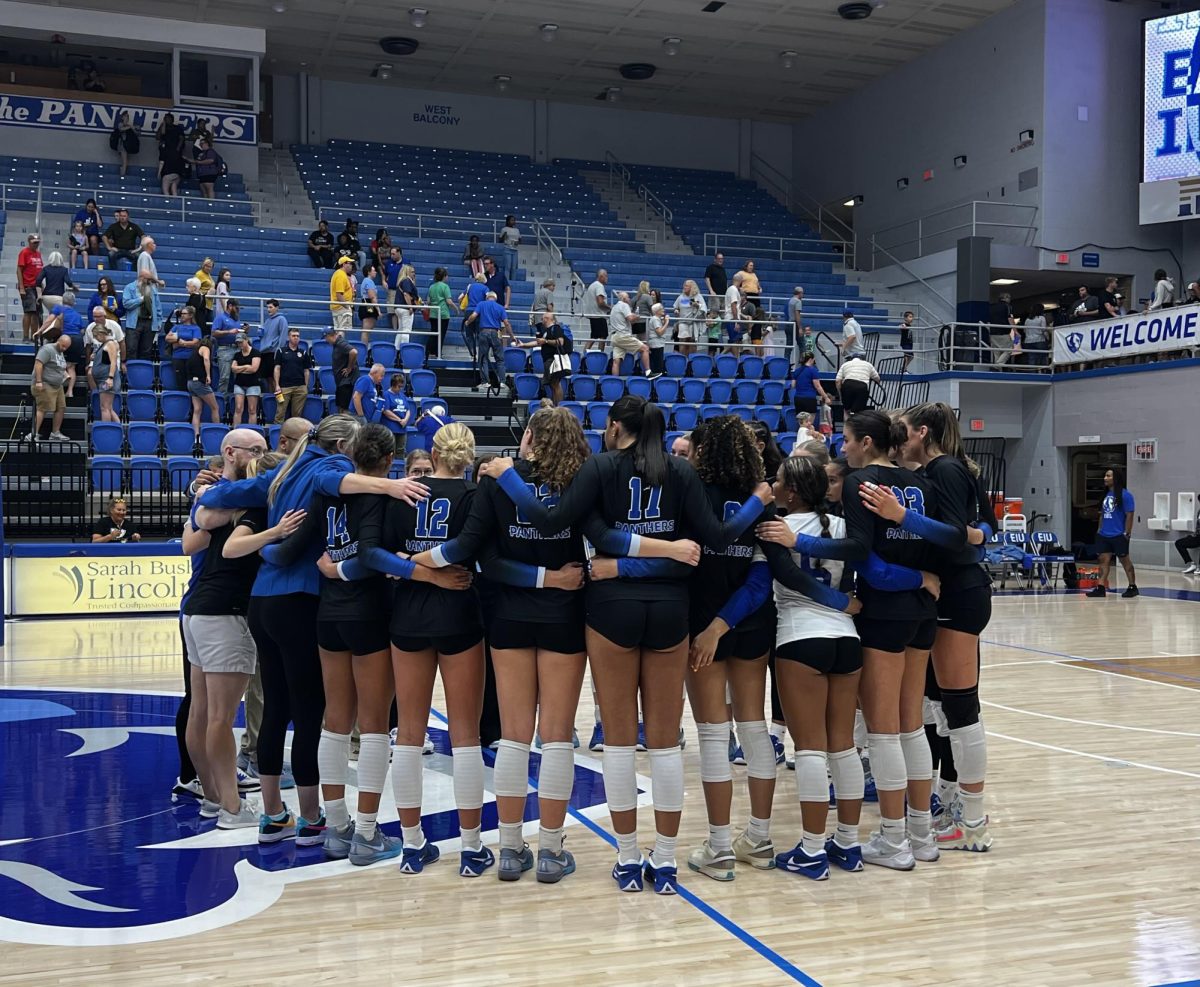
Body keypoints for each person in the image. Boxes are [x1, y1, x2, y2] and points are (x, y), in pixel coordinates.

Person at [479, 395, 775, 894]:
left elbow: (564, 525)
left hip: (611, 609)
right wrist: (759, 500)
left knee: (618, 740)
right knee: (662, 744)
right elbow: (716, 538)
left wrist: (508, 475)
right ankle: (664, 860)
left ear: (615, 426)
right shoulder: (682, 472)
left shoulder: (599, 467)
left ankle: (627, 857)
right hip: (669, 611)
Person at [196, 415, 428, 847]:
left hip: (261, 603)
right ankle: (310, 820)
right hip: (300, 599)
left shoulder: (284, 470)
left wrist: (206, 492)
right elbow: (338, 485)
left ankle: (272, 815)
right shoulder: (329, 468)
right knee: (308, 715)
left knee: (274, 709)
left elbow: (231, 494)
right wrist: (391, 486)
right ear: (343, 446)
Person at [405, 409, 608, 882]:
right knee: (556, 735)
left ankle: (513, 849)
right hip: (564, 615)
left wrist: (418, 559)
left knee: (515, 736)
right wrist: (554, 579)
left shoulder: (498, 478)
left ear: (531, 437)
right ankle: (553, 851)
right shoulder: (582, 481)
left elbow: (485, 559)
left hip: (509, 616)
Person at [758, 410, 950, 871]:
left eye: (845, 439)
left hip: (870, 617)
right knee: (909, 725)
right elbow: (952, 540)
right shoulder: (919, 482)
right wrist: (923, 576)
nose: (841, 449)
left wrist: (801, 548)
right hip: (919, 613)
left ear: (866, 442)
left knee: (881, 732)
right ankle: (919, 836)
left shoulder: (858, 485)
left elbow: (867, 561)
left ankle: (891, 838)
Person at [265, 424, 465, 864]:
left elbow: (284, 552)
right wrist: (419, 572)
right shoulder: (382, 496)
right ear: (389, 461)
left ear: (350, 454)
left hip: (328, 617)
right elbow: (374, 556)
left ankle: (335, 828)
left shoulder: (325, 494)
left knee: (333, 722)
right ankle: (367, 833)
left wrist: (264, 542)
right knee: (374, 726)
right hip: (369, 615)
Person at [682, 418, 854, 883]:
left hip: (704, 626)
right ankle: (758, 838)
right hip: (755, 624)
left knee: (715, 736)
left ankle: (719, 847)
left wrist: (712, 627)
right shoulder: (763, 503)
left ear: (704, 451)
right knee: (754, 729)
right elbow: (761, 580)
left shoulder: (691, 493)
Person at [322, 422, 490, 876]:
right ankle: (472, 849)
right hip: (459, 612)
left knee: (410, 736)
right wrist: (436, 566)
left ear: (432, 454)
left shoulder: (402, 492)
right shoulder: (476, 496)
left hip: (408, 617)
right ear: (468, 457)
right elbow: (482, 554)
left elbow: (372, 554)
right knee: (465, 736)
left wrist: (408, 564)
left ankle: (413, 844)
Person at [858, 403, 995, 853]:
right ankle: (952, 803)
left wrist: (903, 518)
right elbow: (982, 525)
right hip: (947, 592)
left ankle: (973, 820)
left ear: (922, 433)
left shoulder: (947, 469)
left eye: (904, 434)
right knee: (938, 707)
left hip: (959, 592)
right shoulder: (945, 470)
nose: (898, 444)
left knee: (960, 708)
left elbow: (957, 534)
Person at [180, 436, 283, 831]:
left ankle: (211, 797)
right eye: (255, 452)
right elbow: (215, 541)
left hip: (198, 610)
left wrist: (205, 492)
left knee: (203, 712)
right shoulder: (254, 505)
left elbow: (201, 525)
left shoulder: (221, 503)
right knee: (220, 718)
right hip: (226, 612)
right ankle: (232, 807)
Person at [1087, 467, 1138, 598]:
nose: (1105, 478)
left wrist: (1127, 533)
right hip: (1104, 534)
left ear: (1116, 478)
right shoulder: (1106, 495)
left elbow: (1129, 515)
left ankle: (1132, 586)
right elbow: (1103, 514)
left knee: (1124, 560)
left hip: (1119, 534)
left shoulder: (1126, 496)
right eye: (1105, 476)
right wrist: (1099, 529)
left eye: (1108, 476)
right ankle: (1100, 587)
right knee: (1103, 560)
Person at [27, 333, 73, 442]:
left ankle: (55, 433)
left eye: (66, 347)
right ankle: (33, 434)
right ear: (58, 341)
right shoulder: (47, 349)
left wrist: (66, 375)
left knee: (61, 407)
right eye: (63, 346)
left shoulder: (60, 353)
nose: (64, 349)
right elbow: (38, 364)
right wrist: (39, 381)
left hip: (57, 386)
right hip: (45, 383)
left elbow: (59, 367)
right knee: (43, 409)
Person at [464, 290, 512, 392]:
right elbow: (506, 323)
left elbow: (473, 316)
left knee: (483, 358)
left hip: (483, 332)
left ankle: (485, 382)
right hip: (496, 333)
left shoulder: (481, 304)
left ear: (487, 297)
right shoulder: (500, 307)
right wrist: (512, 336)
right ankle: (502, 382)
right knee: (500, 359)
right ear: (496, 298)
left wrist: (468, 322)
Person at [609, 290, 654, 378]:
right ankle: (648, 372)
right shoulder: (624, 305)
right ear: (624, 298)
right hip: (623, 335)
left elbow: (626, 320)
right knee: (645, 348)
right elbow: (630, 318)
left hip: (614, 336)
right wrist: (637, 316)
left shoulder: (614, 307)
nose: (630, 299)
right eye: (628, 297)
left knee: (616, 361)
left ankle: (614, 380)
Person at [274, 328, 314, 423]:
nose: (296, 338)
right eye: (293, 336)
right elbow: (277, 368)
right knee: (280, 414)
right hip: (284, 387)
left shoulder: (303, 352)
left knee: (297, 416)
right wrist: (277, 385)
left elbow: (306, 371)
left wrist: (305, 386)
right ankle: (277, 434)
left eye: (297, 336)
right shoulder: (281, 351)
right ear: (289, 337)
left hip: (300, 387)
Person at [187, 338, 220, 444]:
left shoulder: (194, 352)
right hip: (200, 383)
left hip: (191, 382)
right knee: (215, 407)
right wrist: (208, 375)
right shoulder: (205, 348)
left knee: (197, 410)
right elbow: (206, 359)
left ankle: (196, 437)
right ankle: (217, 432)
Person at [89, 322, 122, 424]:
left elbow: (113, 362)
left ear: (100, 334)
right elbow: (106, 359)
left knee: (104, 408)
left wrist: (110, 378)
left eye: (96, 336)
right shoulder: (104, 344)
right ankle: (119, 430)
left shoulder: (110, 343)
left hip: (106, 379)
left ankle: (106, 430)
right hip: (103, 379)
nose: (96, 338)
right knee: (109, 408)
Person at [209, 298, 244, 393]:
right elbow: (214, 332)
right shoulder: (220, 318)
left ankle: (235, 399)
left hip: (237, 348)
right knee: (224, 377)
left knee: (239, 376)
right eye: (236, 308)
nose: (238, 310)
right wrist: (229, 331)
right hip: (225, 349)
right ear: (230, 306)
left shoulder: (236, 319)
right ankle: (222, 400)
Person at [791, 352, 832, 426]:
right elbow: (818, 386)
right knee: (809, 423)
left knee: (801, 424)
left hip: (798, 398)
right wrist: (826, 397)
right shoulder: (813, 370)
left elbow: (793, 385)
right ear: (810, 359)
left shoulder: (797, 371)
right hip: (809, 398)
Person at [165, 305, 202, 386]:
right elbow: (167, 338)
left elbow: (195, 343)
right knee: (180, 380)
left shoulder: (196, 328)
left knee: (190, 381)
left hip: (191, 358)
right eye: (181, 313)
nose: (182, 315)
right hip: (178, 357)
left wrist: (181, 343)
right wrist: (178, 340)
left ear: (191, 315)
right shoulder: (176, 327)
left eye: (184, 313)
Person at [231, 334, 262, 426]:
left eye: (241, 342)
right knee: (238, 408)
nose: (239, 344)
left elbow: (253, 369)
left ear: (246, 340)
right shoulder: (237, 354)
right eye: (238, 343)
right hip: (239, 383)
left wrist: (240, 369)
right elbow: (233, 369)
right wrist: (246, 366)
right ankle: (235, 430)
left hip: (253, 384)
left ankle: (251, 431)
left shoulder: (255, 353)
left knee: (252, 409)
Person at [325, 327, 359, 413]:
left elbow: (354, 352)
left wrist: (349, 368)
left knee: (344, 409)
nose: (326, 341)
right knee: (341, 407)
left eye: (326, 338)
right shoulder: (338, 343)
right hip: (342, 382)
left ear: (329, 336)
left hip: (346, 382)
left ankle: (344, 426)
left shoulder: (341, 343)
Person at [17, 233, 43, 341]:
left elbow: (40, 270)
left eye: (37, 243)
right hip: (28, 286)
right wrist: (22, 287)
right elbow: (19, 270)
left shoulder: (38, 254)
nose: (36, 245)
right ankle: (26, 336)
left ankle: (34, 335)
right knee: (28, 312)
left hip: (37, 286)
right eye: (34, 243)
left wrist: (41, 285)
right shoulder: (24, 253)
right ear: (29, 242)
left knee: (37, 312)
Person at [672, 279, 707, 358]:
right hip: (683, 322)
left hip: (693, 322)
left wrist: (697, 305)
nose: (684, 287)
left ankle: (691, 360)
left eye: (686, 286)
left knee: (692, 342)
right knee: (682, 342)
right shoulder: (681, 297)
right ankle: (683, 359)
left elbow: (703, 308)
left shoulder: (697, 296)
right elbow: (676, 307)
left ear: (692, 287)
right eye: (684, 285)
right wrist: (676, 311)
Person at [258, 299, 288, 389]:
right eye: (267, 307)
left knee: (275, 379)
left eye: (270, 307)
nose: (268, 309)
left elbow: (283, 336)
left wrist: (279, 352)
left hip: (274, 353)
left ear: (277, 308)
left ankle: (280, 401)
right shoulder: (267, 321)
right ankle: (272, 399)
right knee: (269, 378)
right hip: (265, 352)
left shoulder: (281, 319)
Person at [381, 372, 414, 450]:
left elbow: (408, 410)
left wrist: (405, 420)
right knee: (389, 450)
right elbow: (386, 411)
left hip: (402, 429)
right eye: (399, 386)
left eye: (402, 386)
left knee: (401, 450)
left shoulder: (402, 395)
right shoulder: (386, 395)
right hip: (390, 428)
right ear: (393, 384)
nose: (400, 388)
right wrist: (399, 420)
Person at [427, 267, 453, 356]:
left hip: (433, 313)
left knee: (433, 332)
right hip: (443, 314)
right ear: (444, 276)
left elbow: (428, 301)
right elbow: (448, 301)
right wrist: (456, 308)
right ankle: (438, 353)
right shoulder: (445, 287)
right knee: (441, 334)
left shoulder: (431, 286)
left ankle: (429, 351)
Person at [583, 269, 611, 351]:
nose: (607, 278)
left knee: (594, 336)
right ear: (601, 276)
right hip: (599, 315)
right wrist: (610, 307)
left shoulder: (592, 285)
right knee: (603, 337)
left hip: (593, 315)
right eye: (606, 276)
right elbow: (600, 302)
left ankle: (584, 354)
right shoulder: (599, 286)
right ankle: (600, 354)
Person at [393, 263, 418, 348]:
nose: (413, 274)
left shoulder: (401, 281)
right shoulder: (407, 280)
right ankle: (404, 350)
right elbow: (406, 294)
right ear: (407, 272)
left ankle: (397, 349)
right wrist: (410, 307)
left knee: (400, 330)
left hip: (398, 308)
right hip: (405, 308)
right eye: (412, 272)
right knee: (406, 331)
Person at [358, 261, 381, 346]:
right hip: (368, 305)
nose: (375, 272)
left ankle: (364, 347)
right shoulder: (368, 281)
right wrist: (378, 310)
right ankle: (364, 348)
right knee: (366, 330)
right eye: (373, 270)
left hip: (367, 304)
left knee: (367, 330)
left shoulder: (367, 281)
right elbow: (372, 297)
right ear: (368, 272)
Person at [330, 256, 355, 334]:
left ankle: (339, 345)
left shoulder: (339, 274)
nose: (351, 266)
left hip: (339, 307)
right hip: (342, 308)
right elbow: (339, 294)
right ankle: (340, 346)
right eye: (350, 263)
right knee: (342, 331)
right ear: (344, 264)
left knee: (339, 331)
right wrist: (347, 307)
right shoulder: (341, 275)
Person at [110, 111, 139, 176]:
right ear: (123, 117)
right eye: (126, 116)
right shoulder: (121, 124)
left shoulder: (129, 125)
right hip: (122, 145)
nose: (127, 118)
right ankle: (122, 175)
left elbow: (137, 133)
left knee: (125, 161)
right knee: (124, 161)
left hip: (127, 145)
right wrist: (130, 127)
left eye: (128, 116)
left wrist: (133, 128)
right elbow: (121, 129)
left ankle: (122, 173)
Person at [646, 302, 670, 376]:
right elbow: (659, 332)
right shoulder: (655, 319)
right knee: (658, 367)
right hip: (656, 345)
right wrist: (667, 322)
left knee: (657, 365)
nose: (663, 310)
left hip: (656, 344)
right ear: (657, 311)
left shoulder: (656, 319)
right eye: (661, 309)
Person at [724, 272, 745, 350]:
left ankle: (733, 358)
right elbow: (734, 306)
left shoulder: (732, 289)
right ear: (740, 281)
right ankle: (735, 360)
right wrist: (736, 321)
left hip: (732, 318)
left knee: (735, 342)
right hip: (732, 319)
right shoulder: (733, 290)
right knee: (735, 342)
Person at [499, 215, 520, 281]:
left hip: (515, 249)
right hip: (507, 249)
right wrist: (504, 236)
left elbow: (520, 239)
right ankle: (506, 282)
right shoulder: (504, 229)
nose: (513, 221)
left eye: (514, 220)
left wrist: (518, 242)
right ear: (508, 221)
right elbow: (500, 240)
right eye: (511, 220)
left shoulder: (517, 230)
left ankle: (513, 281)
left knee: (514, 268)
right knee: (507, 267)